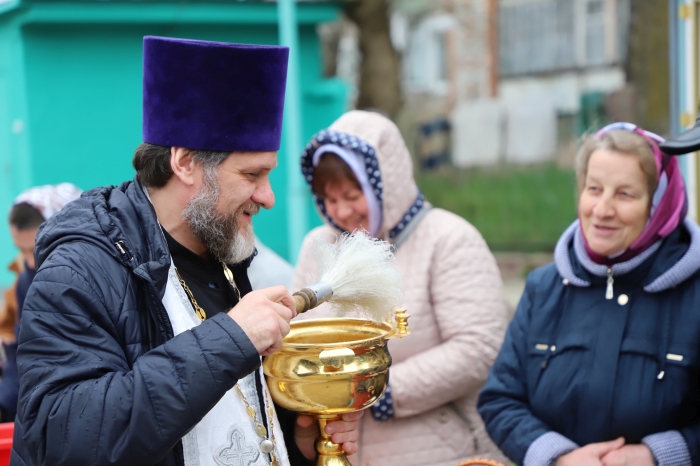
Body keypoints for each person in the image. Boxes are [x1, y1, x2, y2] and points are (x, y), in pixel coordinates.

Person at [12, 36, 361, 466]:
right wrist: (231, 339)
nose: (267, 196)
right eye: (252, 174)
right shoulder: (79, 270)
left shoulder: (220, 251)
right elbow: (65, 439)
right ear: (185, 163)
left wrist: (295, 441)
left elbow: (222, 418)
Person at [291, 110, 509, 466]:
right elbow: (300, 338)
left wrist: (374, 389)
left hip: (440, 450)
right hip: (341, 448)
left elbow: (478, 347)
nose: (342, 212)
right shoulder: (319, 246)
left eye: (352, 194)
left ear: (384, 182)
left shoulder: (449, 239)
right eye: (330, 200)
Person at [477, 122, 700, 466]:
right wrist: (559, 457)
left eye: (625, 194)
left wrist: (657, 456)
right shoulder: (544, 287)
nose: (602, 210)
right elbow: (500, 400)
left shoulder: (694, 292)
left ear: (659, 207)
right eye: (594, 189)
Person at [0, 183, 82, 422]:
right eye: (21, 251)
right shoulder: (28, 280)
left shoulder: (100, 276)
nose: (29, 262)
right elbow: (25, 355)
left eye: (35, 249)